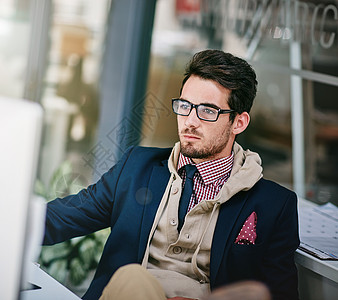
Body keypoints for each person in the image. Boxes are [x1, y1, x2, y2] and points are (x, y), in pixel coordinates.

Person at [43, 49, 300, 300]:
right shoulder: (137, 167)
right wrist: (7, 224)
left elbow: (279, 294)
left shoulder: (274, 205)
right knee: (133, 278)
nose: (190, 121)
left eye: (208, 111)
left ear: (239, 122)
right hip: (129, 293)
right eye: (185, 106)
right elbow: (64, 217)